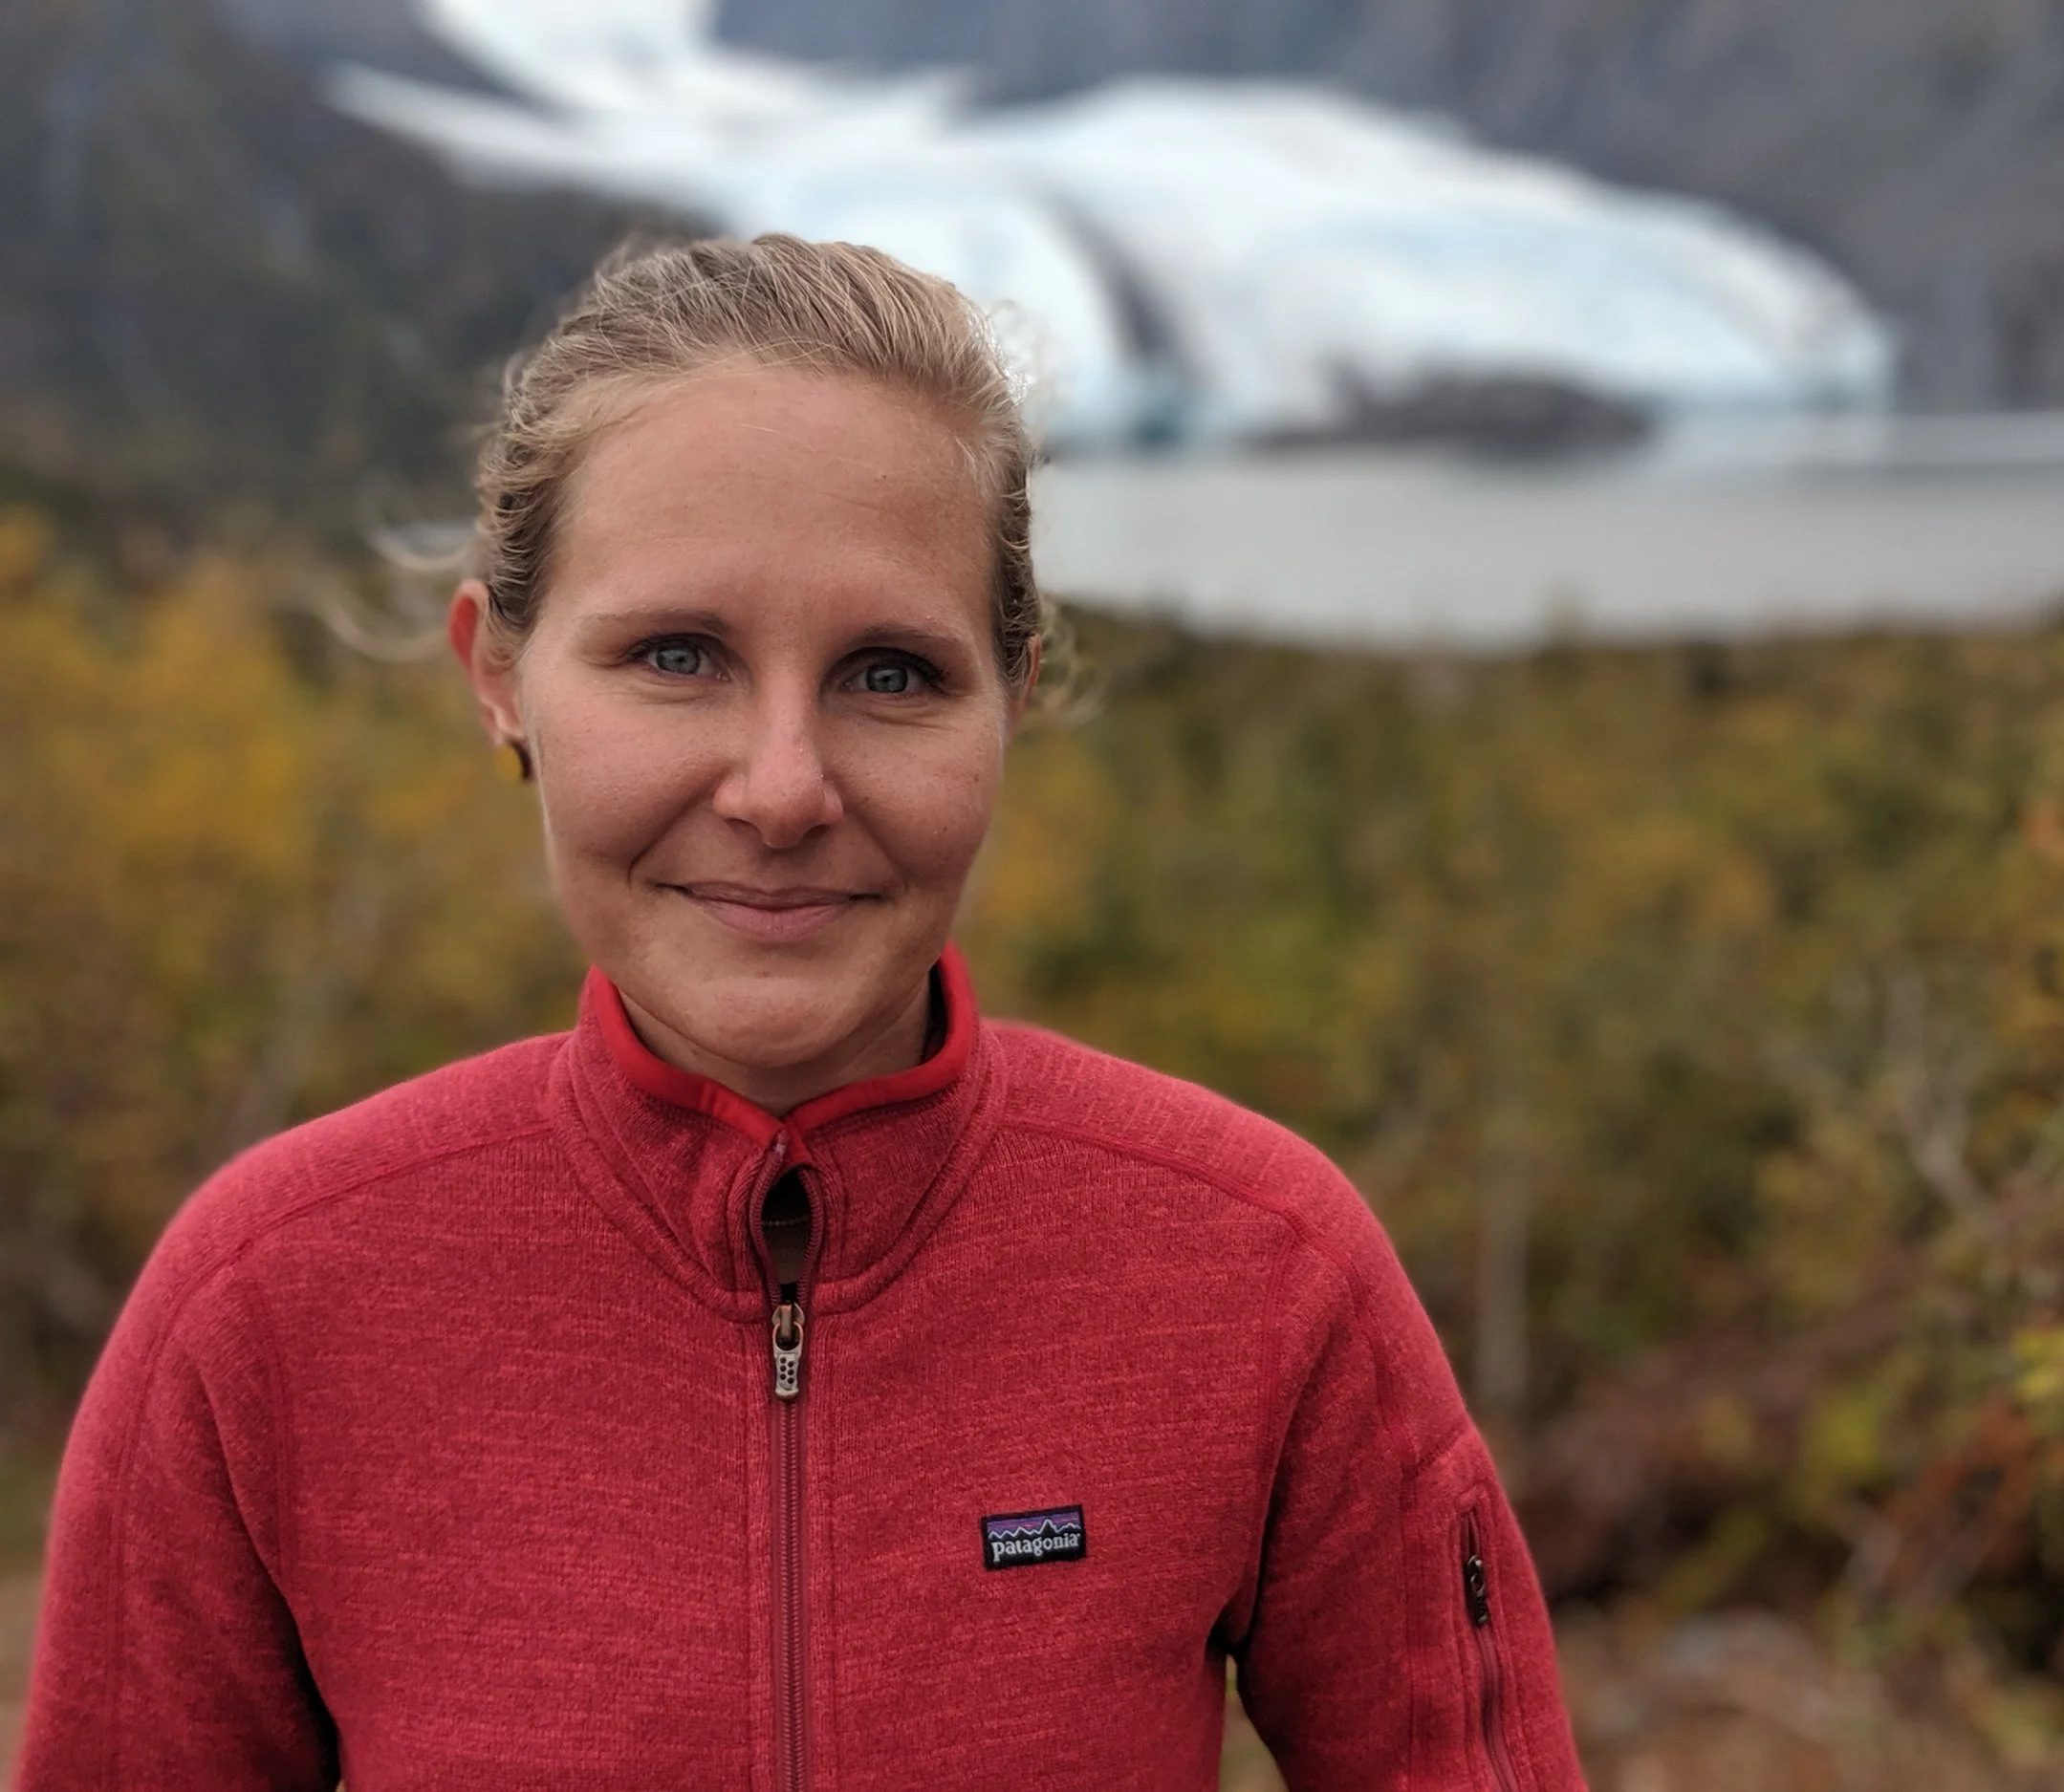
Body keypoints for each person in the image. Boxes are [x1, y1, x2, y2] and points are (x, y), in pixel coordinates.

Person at [18, 235, 1580, 1789]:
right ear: (497, 672)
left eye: (891, 674)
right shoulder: (270, 1301)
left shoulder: (1258, 1270)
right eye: (676, 655)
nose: (782, 789)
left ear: (1013, 696)